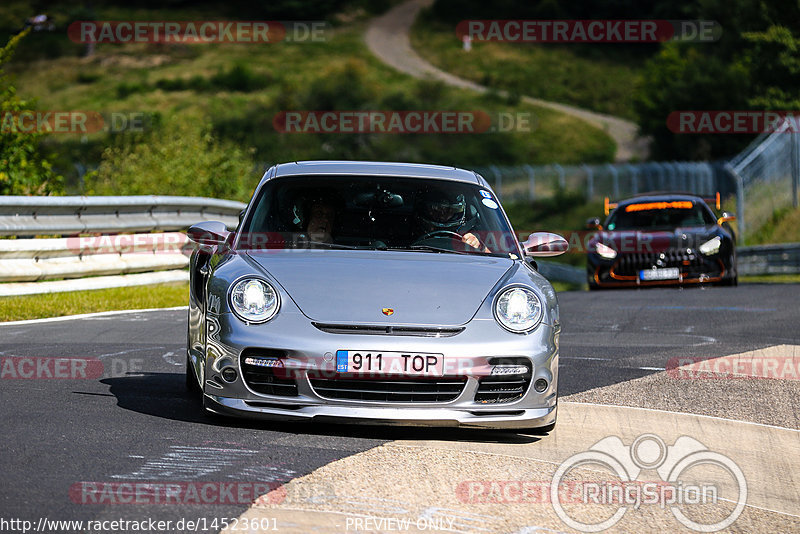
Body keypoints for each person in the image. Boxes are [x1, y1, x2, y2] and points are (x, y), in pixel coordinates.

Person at [415, 190, 490, 252]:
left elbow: (494, 260)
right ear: (426, 209)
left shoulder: (469, 233)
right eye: (436, 209)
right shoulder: (408, 231)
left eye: (450, 210)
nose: (443, 215)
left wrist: (480, 247)